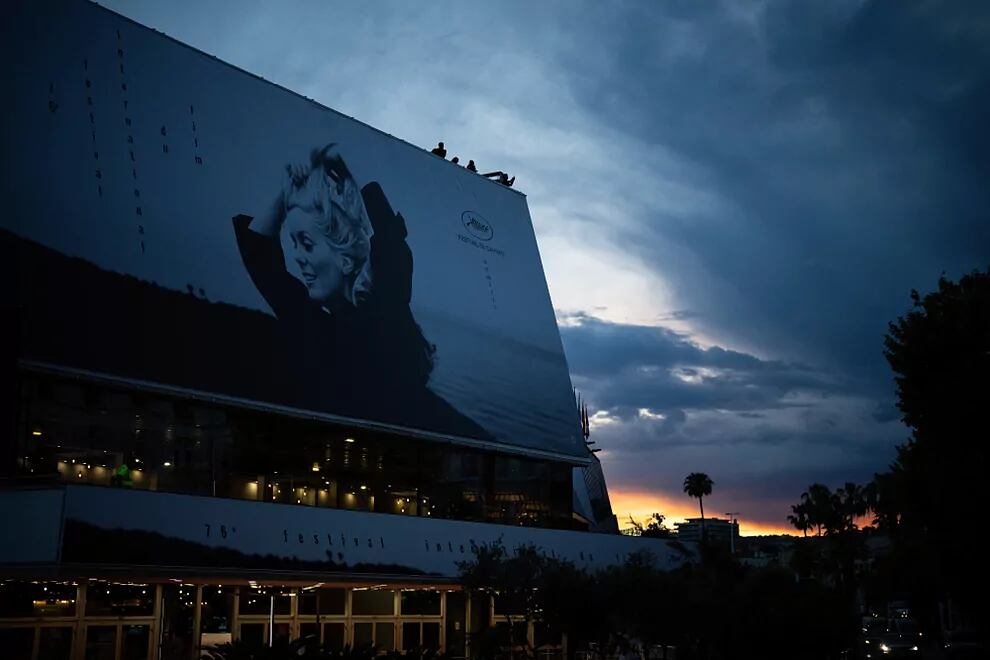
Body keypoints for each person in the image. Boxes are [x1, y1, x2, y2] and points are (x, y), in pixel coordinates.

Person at [232, 144, 491, 438]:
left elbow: (390, 243)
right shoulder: (343, 317)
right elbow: (264, 262)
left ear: (343, 258)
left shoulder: (378, 312)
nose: (299, 258)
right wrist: (291, 190)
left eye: (307, 244)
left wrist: (338, 174)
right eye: (295, 244)